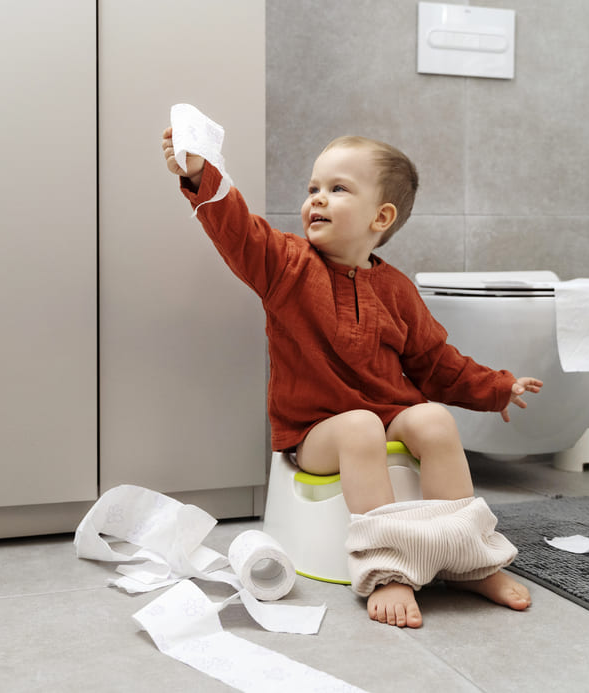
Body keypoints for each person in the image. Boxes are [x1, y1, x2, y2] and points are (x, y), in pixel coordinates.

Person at [161, 125, 542, 628]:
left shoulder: (397, 289)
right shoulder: (286, 266)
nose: (316, 199)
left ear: (380, 217)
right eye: (313, 188)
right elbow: (238, 231)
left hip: (384, 415)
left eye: (337, 189)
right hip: (316, 431)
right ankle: (387, 571)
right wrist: (199, 175)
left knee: (432, 420)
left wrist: (495, 387)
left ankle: (465, 559)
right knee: (360, 425)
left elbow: (434, 362)